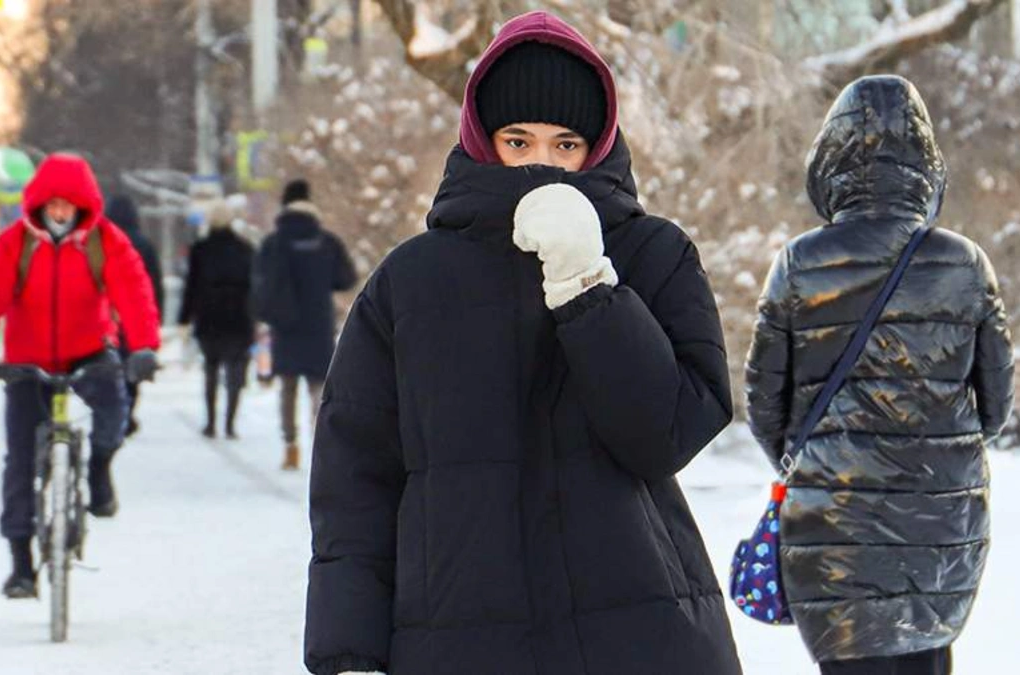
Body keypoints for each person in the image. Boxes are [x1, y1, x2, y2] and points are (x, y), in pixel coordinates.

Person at [304, 12, 742, 675]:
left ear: (596, 147)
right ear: (485, 141)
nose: (542, 165)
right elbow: (356, 478)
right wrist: (348, 650)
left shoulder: (653, 256)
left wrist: (591, 290)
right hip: (458, 638)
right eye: (519, 140)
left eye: (565, 144)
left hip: (638, 634)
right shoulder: (411, 281)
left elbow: (668, 432)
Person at [744, 75, 1015, 675]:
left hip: (833, 523)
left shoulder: (798, 263)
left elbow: (765, 406)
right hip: (941, 523)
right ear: (926, 166)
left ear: (830, 162)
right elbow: (995, 407)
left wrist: (818, 462)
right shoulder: (965, 264)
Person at [0, 153, 161, 599]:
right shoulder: (17, 244)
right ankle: (20, 565)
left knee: (114, 410)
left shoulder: (103, 241)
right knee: (20, 462)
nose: (59, 213)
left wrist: (143, 346)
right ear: (37, 204)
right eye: (51, 204)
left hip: (87, 352)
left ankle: (98, 468)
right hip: (26, 361)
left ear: (82, 206)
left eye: (67, 205)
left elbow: (133, 291)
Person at [253, 179, 356, 470]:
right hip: (318, 324)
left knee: (287, 388)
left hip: (285, 326)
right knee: (319, 389)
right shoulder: (326, 241)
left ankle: (290, 445)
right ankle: (320, 447)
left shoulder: (274, 243)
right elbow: (346, 278)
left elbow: (260, 284)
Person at [178, 200, 256, 439]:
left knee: (210, 369)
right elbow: (254, 288)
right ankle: (230, 424)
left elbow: (191, 286)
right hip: (239, 319)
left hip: (208, 318)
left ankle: (211, 422)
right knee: (235, 372)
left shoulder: (200, 249)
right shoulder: (246, 249)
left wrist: (185, 318)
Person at [105, 194, 165, 436]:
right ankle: (127, 410)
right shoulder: (143, 243)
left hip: (108, 316)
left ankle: (115, 411)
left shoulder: (101, 242)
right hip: (135, 315)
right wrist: (155, 315)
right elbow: (153, 283)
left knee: (110, 364)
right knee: (133, 366)